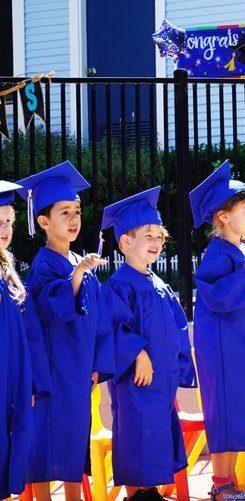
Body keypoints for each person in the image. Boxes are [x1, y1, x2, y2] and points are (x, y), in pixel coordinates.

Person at [17, 162, 115, 501]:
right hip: (51, 371)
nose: (74, 219)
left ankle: (75, 496)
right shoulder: (43, 264)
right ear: (43, 221)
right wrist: (76, 275)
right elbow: (50, 307)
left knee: (75, 437)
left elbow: (100, 320)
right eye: (64, 213)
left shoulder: (79, 261)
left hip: (77, 371)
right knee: (44, 440)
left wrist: (97, 363)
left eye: (76, 211)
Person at [101, 187, 198, 500]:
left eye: (159, 236)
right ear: (126, 242)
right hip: (137, 379)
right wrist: (138, 353)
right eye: (148, 235)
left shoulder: (158, 283)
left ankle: (150, 490)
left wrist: (178, 365)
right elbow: (114, 325)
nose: (156, 242)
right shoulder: (119, 283)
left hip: (160, 380)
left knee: (155, 431)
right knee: (136, 430)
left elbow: (177, 327)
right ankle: (137, 493)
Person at [189, 161, 245, 501]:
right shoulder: (217, 252)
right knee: (225, 410)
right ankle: (221, 482)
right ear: (223, 216)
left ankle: (232, 481)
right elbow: (214, 295)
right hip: (224, 348)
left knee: (241, 409)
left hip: (244, 345)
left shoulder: (243, 249)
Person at [0, 181, 48, 500]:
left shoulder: (7, 269)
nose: (6, 228)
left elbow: (25, 335)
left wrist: (28, 382)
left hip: (10, 383)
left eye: (10, 222)